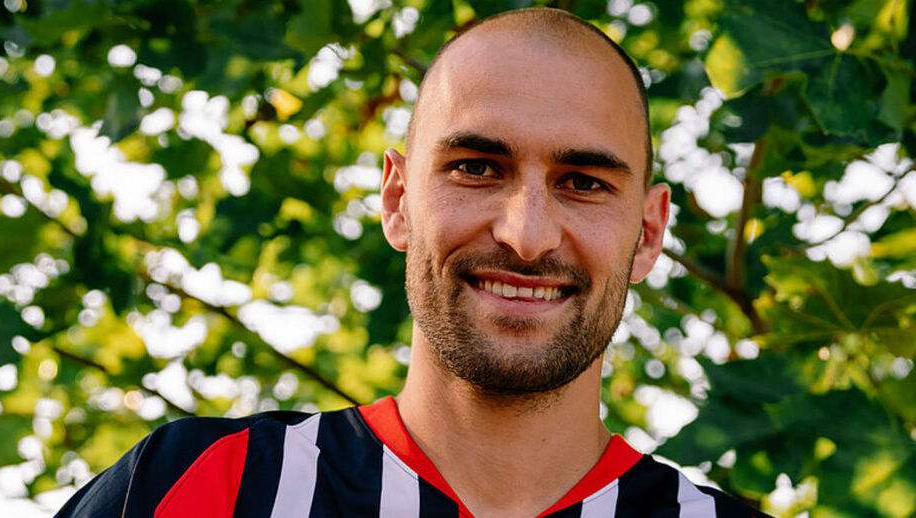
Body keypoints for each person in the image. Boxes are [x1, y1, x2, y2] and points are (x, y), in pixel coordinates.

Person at [56, 8, 771, 518]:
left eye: (583, 182)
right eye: (476, 168)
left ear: (647, 233)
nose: (525, 236)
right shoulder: (201, 487)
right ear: (397, 200)